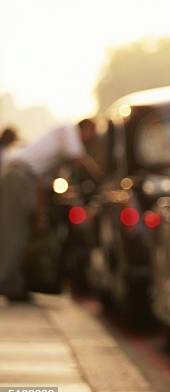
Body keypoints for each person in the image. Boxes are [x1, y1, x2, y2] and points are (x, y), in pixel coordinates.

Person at [0, 119, 101, 301]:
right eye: (92, 132)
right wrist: (100, 177)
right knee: (14, 231)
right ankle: (6, 281)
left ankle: (15, 283)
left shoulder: (56, 159)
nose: (92, 138)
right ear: (85, 128)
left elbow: (41, 184)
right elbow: (80, 159)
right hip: (17, 177)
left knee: (25, 232)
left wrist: (41, 216)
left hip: (27, 180)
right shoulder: (67, 130)